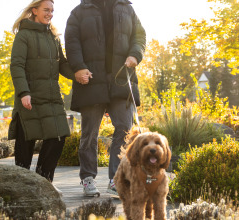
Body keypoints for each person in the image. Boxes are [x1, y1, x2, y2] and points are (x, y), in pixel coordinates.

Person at [65, 0, 146, 196]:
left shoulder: (127, 8)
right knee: (89, 133)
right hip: (92, 79)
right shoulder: (79, 12)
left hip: (120, 78)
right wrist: (78, 67)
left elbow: (139, 36)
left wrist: (135, 54)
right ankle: (88, 178)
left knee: (125, 130)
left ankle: (117, 179)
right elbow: (71, 41)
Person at [8, 0, 83, 191]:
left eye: (52, 11)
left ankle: (44, 181)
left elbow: (62, 64)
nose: (50, 13)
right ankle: (22, 184)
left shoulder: (53, 37)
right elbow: (17, 66)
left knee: (59, 136)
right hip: (29, 97)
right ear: (34, 10)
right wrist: (24, 93)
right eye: (46, 10)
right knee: (26, 142)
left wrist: (76, 74)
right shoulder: (23, 35)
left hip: (51, 98)